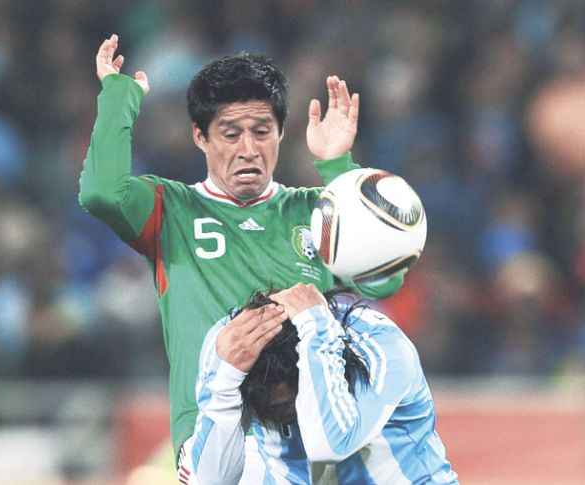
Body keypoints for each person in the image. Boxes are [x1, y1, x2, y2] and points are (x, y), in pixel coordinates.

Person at [78, 34, 405, 472]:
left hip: (311, 438)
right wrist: (121, 95)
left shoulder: (314, 211)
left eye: (261, 132)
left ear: (282, 133)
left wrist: (337, 168)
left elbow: (384, 279)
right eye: (230, 134)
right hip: (222, 443)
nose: (248, 149)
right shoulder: (170, 209)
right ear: (200, 136)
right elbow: (101, 193)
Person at [181, 282, 459, 484]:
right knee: (195, 462)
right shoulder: (233, 343)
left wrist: (318, 332)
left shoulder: (382, 348)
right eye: (269, 415)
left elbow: (328, 447)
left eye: (288, 412)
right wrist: (227, 379)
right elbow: (207, 481)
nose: (281, 422)